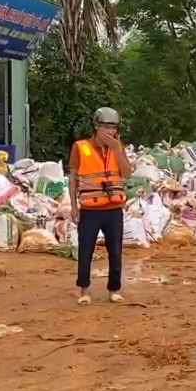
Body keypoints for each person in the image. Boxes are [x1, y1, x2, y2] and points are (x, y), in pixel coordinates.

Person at [69, 107, 132, 305]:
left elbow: (127, 172)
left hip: (113, 210)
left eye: (113, 128)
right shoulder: (80, 147)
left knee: (115, 250)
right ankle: (84, 291)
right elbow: (73, 178)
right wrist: (73, 207)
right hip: (90, 209)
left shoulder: (118, 147)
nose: (110, 132)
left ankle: (114, 289)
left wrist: (116, 149)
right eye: (106, 127)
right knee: (86, 250)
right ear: (96, 127)